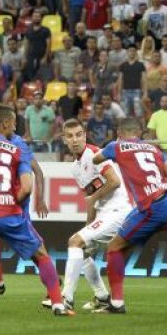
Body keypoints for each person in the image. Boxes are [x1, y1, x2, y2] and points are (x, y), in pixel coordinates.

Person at [0, 105, 67, 315]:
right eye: (14, 124)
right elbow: (27, 186)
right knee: (40, 254)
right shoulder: (17, 149)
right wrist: (9, 201)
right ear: (6, 123)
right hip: (10, 212)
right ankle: (57, 303)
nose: (16, 129)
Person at [91, 118, 167, 313]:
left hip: (152, 207)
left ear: (119, 132)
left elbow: (96, 159)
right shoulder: (154, 149)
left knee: (113, 248)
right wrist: (157, 182)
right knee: (128, 238)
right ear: (139, 133)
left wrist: (108, 154)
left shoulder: (116, 146)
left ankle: (117, 304)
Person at [47, 119, 129, 312]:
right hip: (104, 214)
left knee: (74, 242)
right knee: (81, 249)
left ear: (84, 135)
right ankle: (102, 297)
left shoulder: (94, 154)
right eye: (69, 136)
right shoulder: (76, 167)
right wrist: (87, 228)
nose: (74, 140)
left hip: (118, 211)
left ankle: (66, 298)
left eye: (78, 135)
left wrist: (93, 197)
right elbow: (91, 199)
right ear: (64, 140)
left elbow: (115, 181)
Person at [0, 114, 49, 297]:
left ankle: (54, 284)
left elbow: (37, 172)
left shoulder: (18, 143)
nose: (15, 128)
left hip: (16, 203)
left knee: (33, 247)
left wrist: (39, 199)